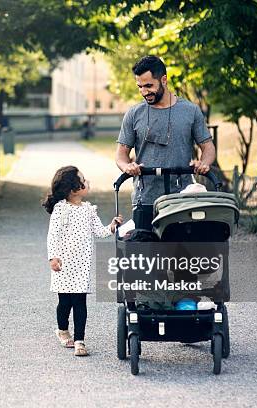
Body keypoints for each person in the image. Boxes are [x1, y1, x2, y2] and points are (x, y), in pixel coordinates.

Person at [115, 55, 216, 207]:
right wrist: (127, 166)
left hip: (182, 198)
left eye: (148, 86)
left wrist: (204, 163)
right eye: (140, 87)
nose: (144, 92)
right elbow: (121, 154)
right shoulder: (134, 113)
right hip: (145, 198)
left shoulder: (190, 110)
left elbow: (208, 147)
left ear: (163, 80)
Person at [42, 166, 122, 356]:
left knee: (80, 302)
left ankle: (80, 340)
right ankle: (62, 329)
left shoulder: (88, 210)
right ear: (73, 188)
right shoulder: (61, 209)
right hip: (63, 265)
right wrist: (53, 257)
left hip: (81, 266)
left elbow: (99, 232)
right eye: (83, 180)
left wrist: (112, 226)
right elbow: (53, 235)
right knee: (65, 303)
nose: (87, 182)